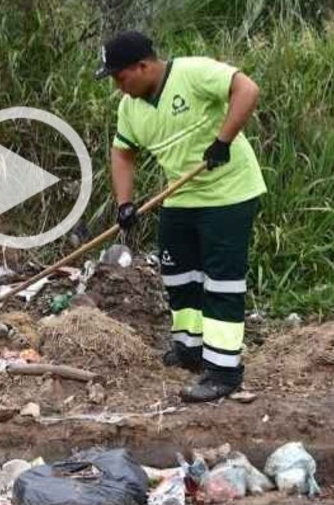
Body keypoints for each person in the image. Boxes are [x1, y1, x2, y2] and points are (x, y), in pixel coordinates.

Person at [98, 31, 265, 403]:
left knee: (222, 282)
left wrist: (222, 141)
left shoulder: (194, 73)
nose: (118, 88)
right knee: (178, 274)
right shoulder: (131, 107)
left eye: (120, 77)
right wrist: (124, 204)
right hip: (181, 195)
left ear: (143, 66)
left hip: (228, 193)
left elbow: (247, 90)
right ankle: (190, 349)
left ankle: (224, 371)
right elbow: (123, 153)